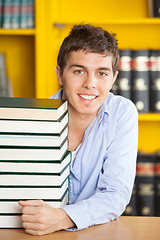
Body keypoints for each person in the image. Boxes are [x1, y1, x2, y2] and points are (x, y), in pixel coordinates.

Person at [19, 24, 138, 236]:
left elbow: (115, 194)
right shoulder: (33, 119)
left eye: (101, 73)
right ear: (60, 75)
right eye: (79, 71)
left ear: (113, 78)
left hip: (95, 234)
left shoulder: (122, 113)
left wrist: (62, 217)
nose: (90, 84)